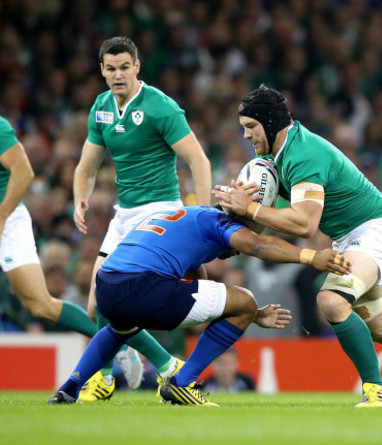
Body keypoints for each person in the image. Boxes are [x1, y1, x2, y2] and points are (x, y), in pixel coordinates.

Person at [215, 86, 382, 408]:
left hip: (373, 230)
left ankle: (375, 390)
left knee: (331, 300)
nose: (244, 135)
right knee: (381, 326)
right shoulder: (273, 157)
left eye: (251, 126)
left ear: (270, 124)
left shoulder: (303, 154)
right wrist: (236, 217)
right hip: (354, 235)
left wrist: (251, 209)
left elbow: (305, 224)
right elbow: (273, 217)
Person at [48, 204, 351, 406]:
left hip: (107, 284)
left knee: (119, 328)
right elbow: (257, 246)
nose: (236, 252)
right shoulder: (218, 222)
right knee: (245, 298)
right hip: (143, 284)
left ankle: (70, 387)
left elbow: (199, 281)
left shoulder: (185, 218)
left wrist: (252, 315)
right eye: (241, 238)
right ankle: (182, 381)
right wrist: (311, 257)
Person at [72, 36, 212, 401]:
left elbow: (198, 160)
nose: (118, 75)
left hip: (160, 212)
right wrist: (80, 200)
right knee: (94, 306)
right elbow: (87, 167)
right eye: (110, 68)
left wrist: (204, 214)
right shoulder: (101, 108)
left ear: (137, 66)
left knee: (119, 297)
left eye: (124, 67)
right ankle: (162, 363)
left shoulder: (161, 107)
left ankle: (106, 377)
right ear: (102, 71)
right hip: (125, 214)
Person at [0, 116, 98, 340]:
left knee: (41, 305)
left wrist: (2, 216)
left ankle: (118, 345)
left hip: (8, 220)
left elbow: (24, 173)